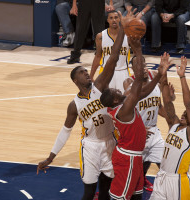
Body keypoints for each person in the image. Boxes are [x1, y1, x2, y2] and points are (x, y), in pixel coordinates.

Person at [37, 13, 127, 200]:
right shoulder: (74, 105)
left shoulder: (100, 86)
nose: (86, 73)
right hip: (90, 147)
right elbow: (65, 131)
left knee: (105, 191)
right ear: (75, 80)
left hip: (110, 142)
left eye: (86, 71)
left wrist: (123, 31)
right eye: (82, 72)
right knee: (88, 191)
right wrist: (50, 158)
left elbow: (113, 58)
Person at [100, 48, 171, 199]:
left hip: (135, 153)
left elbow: (144, 93)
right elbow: (138, 86)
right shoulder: (124, 109)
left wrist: (159, 74)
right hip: (128, 157)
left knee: (137, 194)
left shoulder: (122, 105)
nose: (118, 90)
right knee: (121, 196)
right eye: (115, 91)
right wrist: (137, 47)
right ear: (115, 100)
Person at [150, 56, 190, 200]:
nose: (184, 114)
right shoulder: (174, 124)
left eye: (188, 115)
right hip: (161, 177)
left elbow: (189, 105)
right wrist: (163, 75)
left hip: (178, 181)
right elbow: (167, 100)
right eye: (183, 113)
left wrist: (182, 77)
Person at [123, 57, 174, 192]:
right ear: (133, 68)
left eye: (144, 63)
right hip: (137, 133)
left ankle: (170, 189)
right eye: (138, 65)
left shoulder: (153, 78)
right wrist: (159, 76)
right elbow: (132, 95)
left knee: (165, 163)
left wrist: (171, 117)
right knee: (139, 167)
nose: (143, 67)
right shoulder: (129, 82)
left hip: (154, 131)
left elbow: (158, 105)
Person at [90, 10, 130, 93]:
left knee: (124, 101)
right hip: (106, 72)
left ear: (119, 19)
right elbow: (98, 56)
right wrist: (91, 76)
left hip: (122, 72)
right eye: (111, 18)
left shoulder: (128, 35)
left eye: (116, 17)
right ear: (107, 20)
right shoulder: (100, 36)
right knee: (105, 101)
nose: (114, 20)